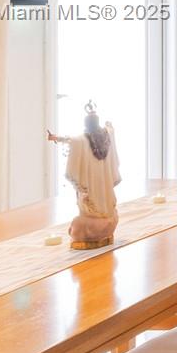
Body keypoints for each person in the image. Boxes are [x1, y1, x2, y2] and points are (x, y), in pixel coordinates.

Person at [48, 103, 121, 248]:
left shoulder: (82, 140)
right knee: (103, 202)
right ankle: (106, 229)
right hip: (104, 185)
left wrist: (56, 138)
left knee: (87, 210)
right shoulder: (106, 135)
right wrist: (109, 126)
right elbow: (110, 130)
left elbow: (72, 141)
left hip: (92, 183)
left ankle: (93, 230)